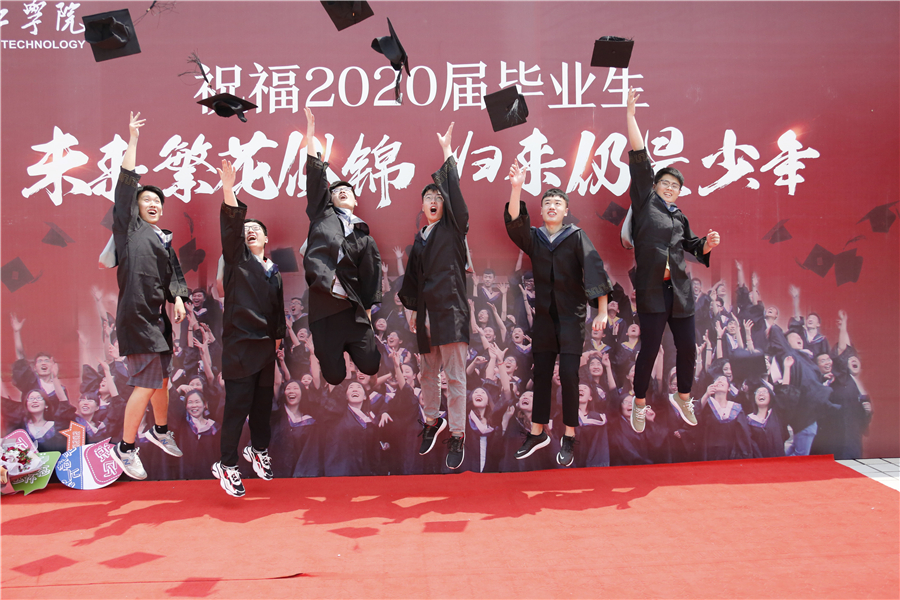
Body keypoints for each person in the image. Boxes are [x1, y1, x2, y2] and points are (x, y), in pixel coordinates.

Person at [504, 160, 613, 467]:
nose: (552, 207)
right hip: (543, 320)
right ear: (541, 210)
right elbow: (515, 224)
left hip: (570, 318)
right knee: (540, 374)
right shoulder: (536, 238)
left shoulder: (576, 236)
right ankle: (537, 432)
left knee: (567, 375)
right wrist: (516, 188)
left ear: (566, 210)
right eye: (548, 203)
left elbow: (595, 270)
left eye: (558, 203)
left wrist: (602, 311)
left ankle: (568, 436)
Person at [625, 88, 721, 435]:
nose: (669, 188)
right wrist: (631, 116)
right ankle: (639, 403)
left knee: (687, 349)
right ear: (654, 185)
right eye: (664, 183)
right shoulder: (644, 202)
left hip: (679, 292)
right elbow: (640, 157)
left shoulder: (679, 216)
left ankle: (684, 397)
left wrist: (707, 243)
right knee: (650, 350)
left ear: (679, 192)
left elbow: (692, 246)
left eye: (674, 186)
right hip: (653, 291)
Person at [110, 112, 190, 480]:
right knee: (146, 382)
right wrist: (133, 140)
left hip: (156, 321)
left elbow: (174, 274)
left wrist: (178, 298)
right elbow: (126, 182)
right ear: (136, 208)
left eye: (158, 201)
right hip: (136, 318)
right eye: (146, 200)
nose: (154, 204)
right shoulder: (129, 229)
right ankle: (125, 449)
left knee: (161, 380)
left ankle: (159, 430)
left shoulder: (162, 239)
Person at [208, 159, 286, 498]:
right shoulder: (237, 261)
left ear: (266, 238)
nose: (250, 230)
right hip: (240, 348)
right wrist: (228, 189)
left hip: (266, 350)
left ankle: (258, 450)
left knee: (262, 409)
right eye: (246, 228)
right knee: (237, 409)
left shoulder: (274, 272)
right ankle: (227, 464)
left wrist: (278, 343)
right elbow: (231, 226)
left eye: (256, 228)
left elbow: (278, 312)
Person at [398, 123, 470, 469]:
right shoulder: (419, 240)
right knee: (427, 374)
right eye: (428, 198)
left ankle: (457, 434)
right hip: (427, 314)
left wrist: (447, 153)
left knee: (454, 377)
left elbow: (454, 194)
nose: (433, 201)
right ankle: (431, 420)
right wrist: (412, 309)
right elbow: (412, 279)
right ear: (422, 205)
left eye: (438, 198)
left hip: (451, 312)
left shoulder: (454, 230)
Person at [302, 107, 383, 386]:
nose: (343, 191)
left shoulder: (364, 238)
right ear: (330, 199)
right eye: (336, 191)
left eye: (348, 190)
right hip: (325, 309)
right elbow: (315, 181)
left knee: (371, 364)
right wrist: (311, 137)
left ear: (356, 200)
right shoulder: (322, 216)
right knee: (335, 376)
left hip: (353, 310)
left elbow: (371, 276)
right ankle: (332, 357)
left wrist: (368, 313)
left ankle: (355, 347)